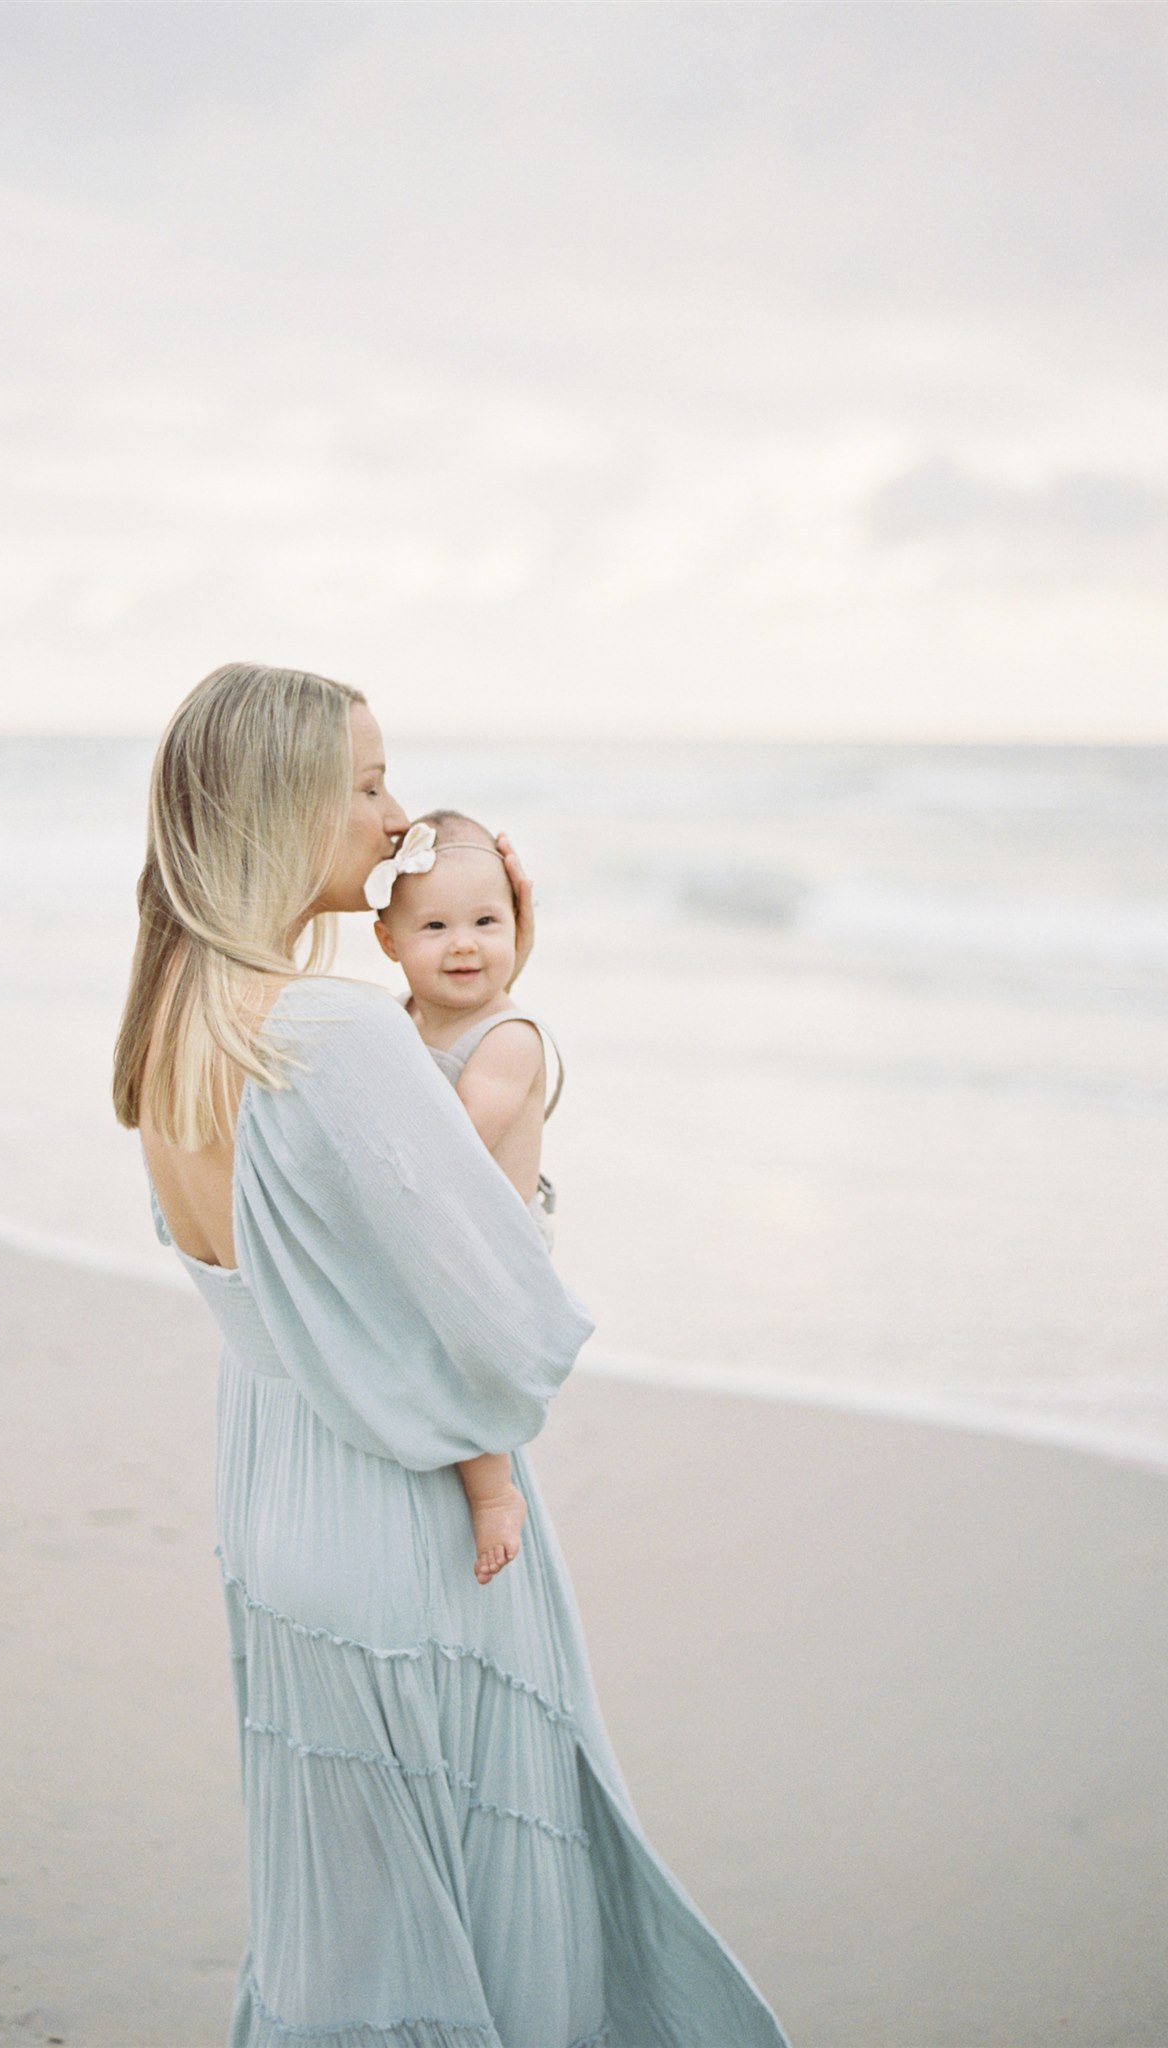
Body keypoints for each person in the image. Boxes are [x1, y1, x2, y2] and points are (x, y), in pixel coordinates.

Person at [114, 661, 793, 2048]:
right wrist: (510, 1068)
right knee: (499, 1907)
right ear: (276, 807)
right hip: (405, 1516)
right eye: (364, 784)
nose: (394, 815)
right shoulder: (336, 1031)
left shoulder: (178, 1024)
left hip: (275, 1512)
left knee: (348, 1938)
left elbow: (318, 1276)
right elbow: (496, 1313)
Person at [368, 808, 567, 1590]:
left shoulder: (506, 1035)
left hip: (492, 1241)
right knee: (410, 1343)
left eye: (488, 921)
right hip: (433, 1223)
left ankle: (493, 1493)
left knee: (461, 1359)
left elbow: (453, 1142)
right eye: (436, 926)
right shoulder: (399, 1023)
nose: (463, 944)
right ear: (389, 942)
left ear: (518, 926)